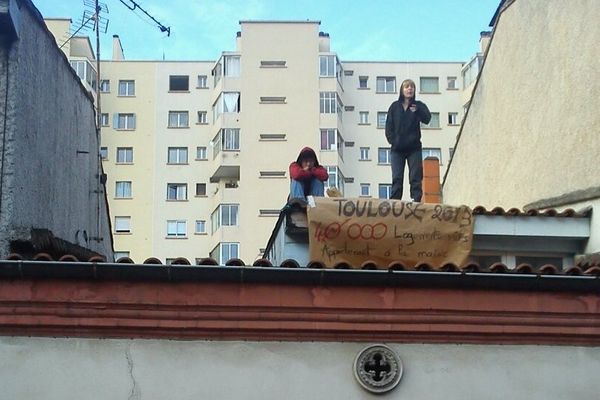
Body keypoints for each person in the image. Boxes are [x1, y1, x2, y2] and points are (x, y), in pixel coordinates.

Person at [385, 79, 431, 202]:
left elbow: (427, 119)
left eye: (412, 87)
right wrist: (393, 141)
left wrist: (419, 111)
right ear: (402, 90)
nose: (409, 89)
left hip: (414, 149)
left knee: (415, 177)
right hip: (397, 149)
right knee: (397, 177)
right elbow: (389, 126)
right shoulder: (394, 106)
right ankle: (395, 201)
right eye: (406, 87)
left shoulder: (418, 105)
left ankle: (416, 200)